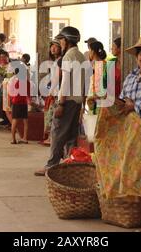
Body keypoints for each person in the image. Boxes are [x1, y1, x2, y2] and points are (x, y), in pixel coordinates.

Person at [94, 34, 141, 232]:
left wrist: (133, 105)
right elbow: (123, 102)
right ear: (137, 56)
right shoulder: (130, 77)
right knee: (139, 178)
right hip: (133, 136)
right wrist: (111, 102)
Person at [35, 26, 86, 176]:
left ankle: (51, 166)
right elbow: (84, 82)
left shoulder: (68, 57)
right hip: (77, 102)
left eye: (61, 40)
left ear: (66, 41)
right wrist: (82, 103)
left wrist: (61, 103)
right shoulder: (81, 56)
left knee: (57, 133)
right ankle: (71, 165)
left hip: (67, 101)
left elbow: (65, 82)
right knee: (71, 136)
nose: (60, 43)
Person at [40, 38, 62, 146]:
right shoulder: (55, 61)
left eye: (56, 46)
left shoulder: (60, 61)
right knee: (50, 115)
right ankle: (50, 137)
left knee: (52, 116)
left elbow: (57, 78)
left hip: (56, 93)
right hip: (53, 92)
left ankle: (51, 137)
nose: (53, 48)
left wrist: (51, 92)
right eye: (51, 46)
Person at [9, 67, 30, 144]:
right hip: (24, 102)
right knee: (25, 121)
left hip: (16, 102)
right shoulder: (27, 82)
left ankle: (13, 139)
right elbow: (28, 94)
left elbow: (11, 93)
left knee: (14, 120)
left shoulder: (15, 82)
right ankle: (25, 138)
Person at [86, 41, 108, 115]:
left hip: (97, 102)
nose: (88, 52)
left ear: (93, 51)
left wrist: (93, 98)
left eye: (89, 50)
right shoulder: (101, 63)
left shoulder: (99, 65)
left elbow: (98, 86)